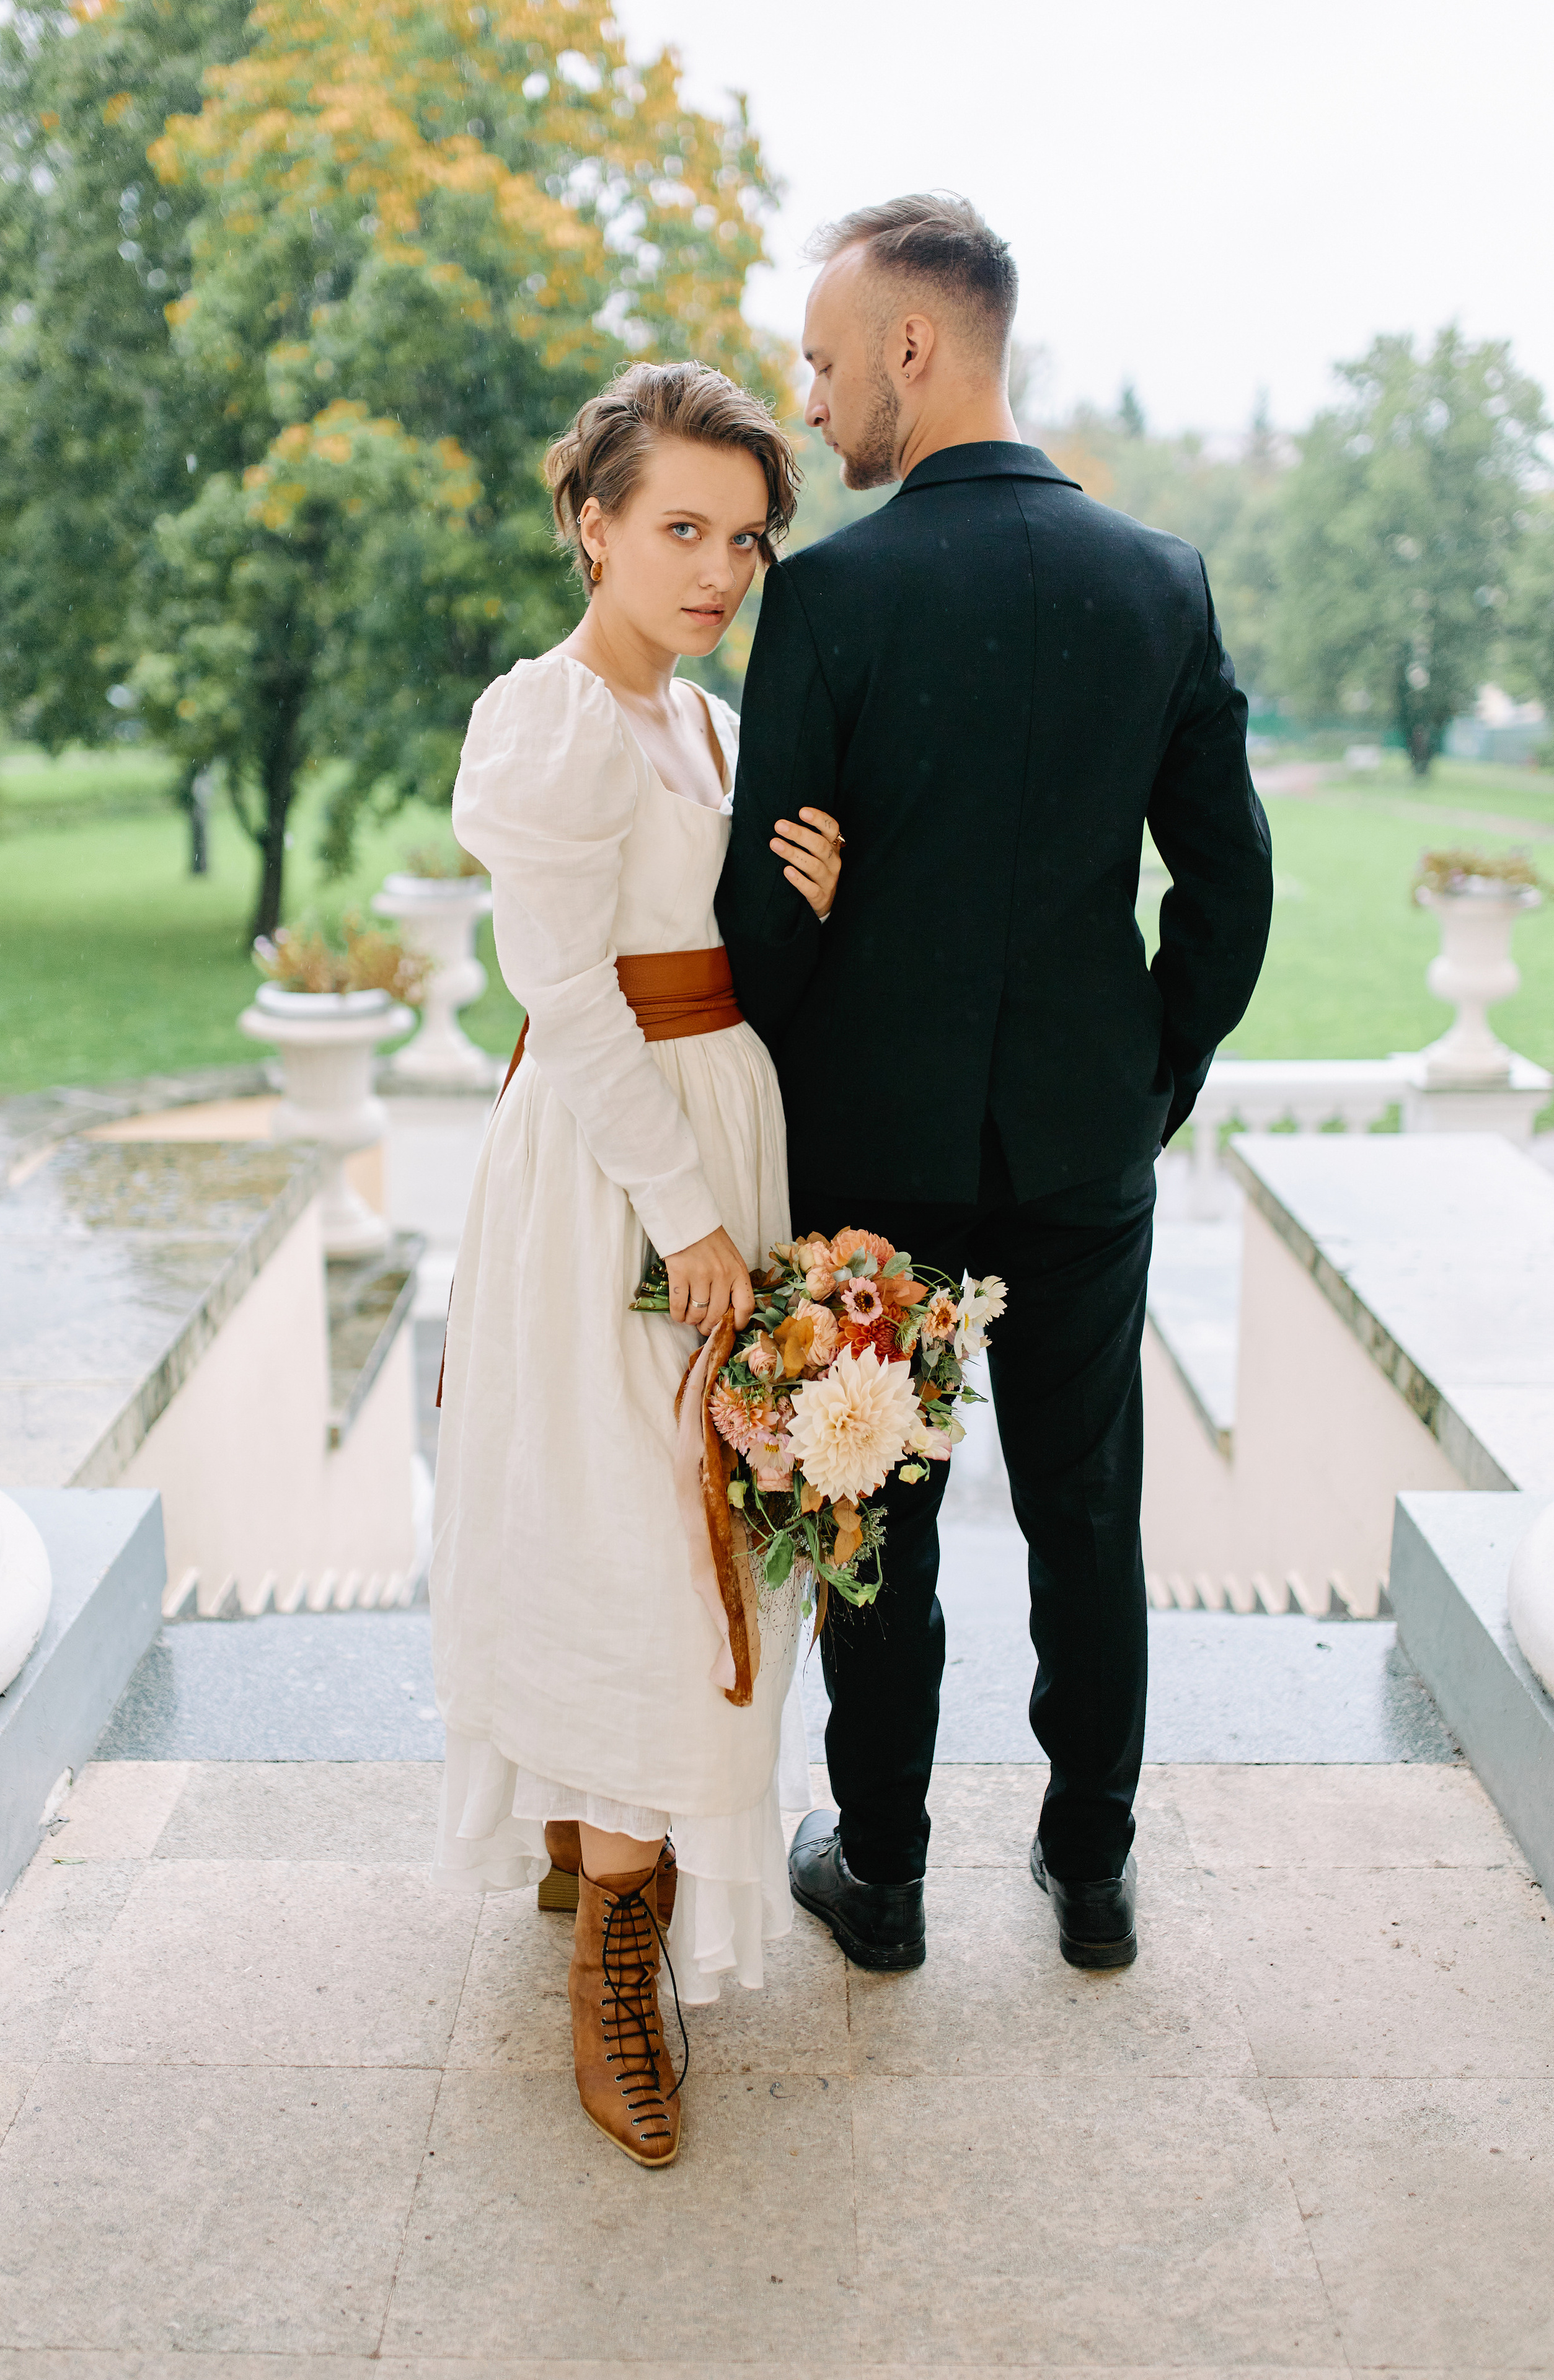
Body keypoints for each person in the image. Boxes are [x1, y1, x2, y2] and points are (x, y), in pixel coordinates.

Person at [715, 193, 1274, 1978]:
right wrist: (1148, 1074)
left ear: (912, 346)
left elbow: (761, 939)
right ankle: (1091, 1874)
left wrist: (798, 925)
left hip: (870, 1153)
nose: (807, 399)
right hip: (1083, 1148)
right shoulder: (1157, 581)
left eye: (819, 357)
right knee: (1089, 1509)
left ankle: (880, 1875)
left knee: (879, 1513)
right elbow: (1232, 888)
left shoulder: (828, 600)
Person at [430, 361, 842, 2167]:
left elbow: (707, 934)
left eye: (743, 537)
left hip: (716, 1125)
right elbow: (568, 993)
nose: (717, 568)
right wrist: (680, 1212)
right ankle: (616, 1938)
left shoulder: (715, 722)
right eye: (679, 527)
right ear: (591, 524)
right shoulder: (555, 717)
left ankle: (601, 1844)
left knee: (687, 1513)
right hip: (617, 1159)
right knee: (631, 1529)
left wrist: (800, 899)